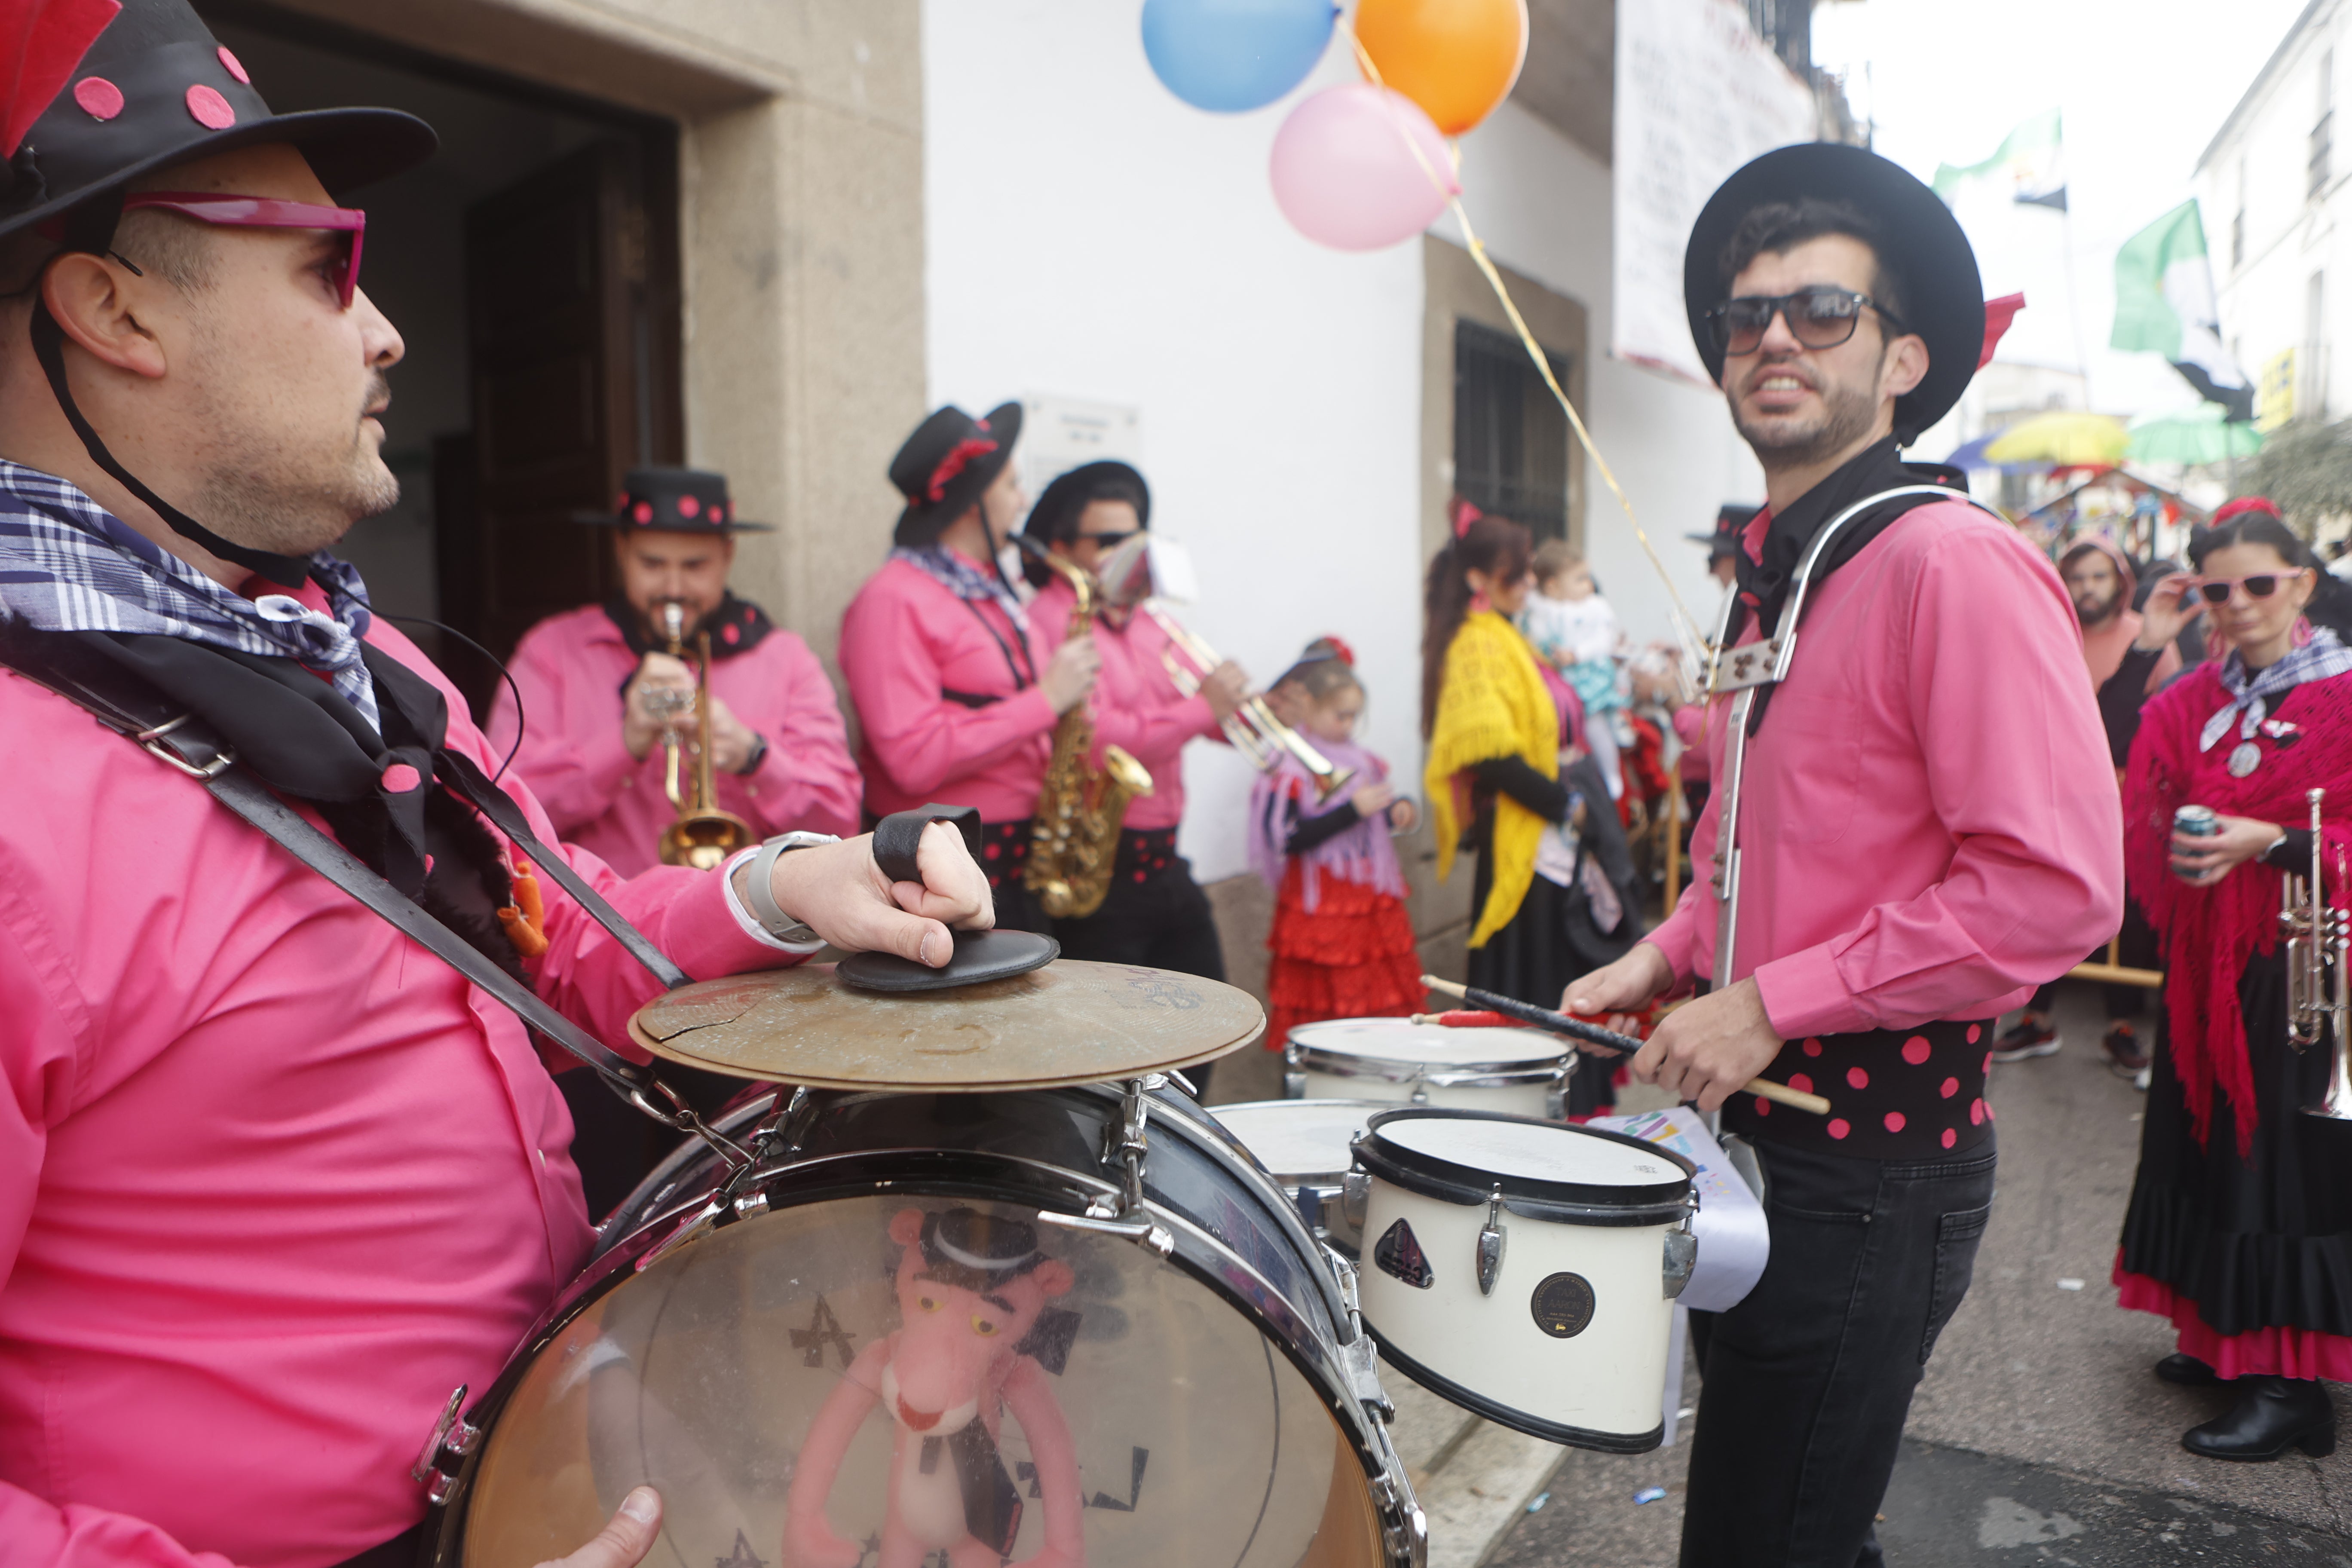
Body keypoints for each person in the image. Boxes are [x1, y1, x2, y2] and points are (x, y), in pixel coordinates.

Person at [0, 6, 995, 1564]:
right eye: (330, 266)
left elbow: (534, 941)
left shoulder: (365, 656)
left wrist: (777, 881)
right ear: (116, 311)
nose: (387, 329)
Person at [1563, 144, 2121, 1567]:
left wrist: (1766, 1000)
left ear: (1901, 359)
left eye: (1821, 311)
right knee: (1782, 1513)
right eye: (1746, 318)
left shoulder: (1950, 560)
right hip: (1756, 1141)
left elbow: (2053, 886)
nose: (1772, 339)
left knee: (1768, 1532)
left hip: (1871, 1163)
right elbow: (1743, 846)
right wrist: (1664, 950)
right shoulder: (1788, 568)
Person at [2115, 507, 2352, 1461]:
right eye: (2218, 589)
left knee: (2283, 1167)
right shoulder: (2189, 698)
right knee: (2205, 1147)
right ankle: (2224, 1333)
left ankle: (2289, 1388)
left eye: (2260, 584)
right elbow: (2143, 807)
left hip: (2309, 966)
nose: (2240, 604)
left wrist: (2279, 843)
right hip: (2208, 965)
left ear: (2300, 583)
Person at [488, 468, 860, 879]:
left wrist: (756, 758)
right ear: (621, 550)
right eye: (652, 564)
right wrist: (621, 745)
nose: (674, 588)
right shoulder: (552, 653)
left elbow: (841, 822)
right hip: (596, 924)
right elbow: (496, 812)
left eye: (695, 566)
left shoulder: (786, 660)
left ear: (728, 555)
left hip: (742, 925)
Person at [839, 403, 1099, 932]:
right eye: (1010, 484)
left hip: (1017, 845)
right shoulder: (892, 600)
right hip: (947, 858)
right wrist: (1045, 702)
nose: (1023, 500)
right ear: (970, 502)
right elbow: (912, 757)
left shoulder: (985, 592)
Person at [1424, 505, 1642, 1118]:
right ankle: (1529, 1108)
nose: (1527, 586)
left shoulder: (1510, 635)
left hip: (1554, 823)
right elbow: (1490, 753)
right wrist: (1565, 805)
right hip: (1533, 827)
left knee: (1560, 963)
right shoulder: (1477, 644)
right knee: (1537, 969)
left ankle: (1565, 1102)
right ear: (1478, 580)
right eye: (1516, 576)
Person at [1016, 459, 1245, 981]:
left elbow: (1202, 713)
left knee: (1205, 1022)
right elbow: (1100, 743)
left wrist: (1248, 711)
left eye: (1137, 540)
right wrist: (1204, 707)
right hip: (1101, 868)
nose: (1129, 557)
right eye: (1109, 541)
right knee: (1120, 1053)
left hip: (1165, 858)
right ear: (1063, 548)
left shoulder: (1150, 621)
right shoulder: (1051, 620)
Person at [1992, 533, 2182, 1074]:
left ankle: (2120, 1028)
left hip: (2127, 802)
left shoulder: (2148, 637)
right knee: (2045, 904)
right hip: (2051, 795)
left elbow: (2161, 721)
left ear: (2119, 581)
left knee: (2124, 916)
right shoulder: (2050, 630)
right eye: (2078, 576)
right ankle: (2036, 1017)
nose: (2088, 588)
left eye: (2099, 576)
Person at [1247, 637, 1422, 1044]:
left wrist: (1400, 810)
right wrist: (1351, 812)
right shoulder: (1290, 767)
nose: (1348, 726)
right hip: (1321, 903)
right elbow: (1289, 839)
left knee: (1379, 1002)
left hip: (1369, 903)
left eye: (1354, 717)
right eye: (1340, 716)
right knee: (1324, 1011)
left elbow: (1376, 809)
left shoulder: (1363, 761)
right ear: (1309, 706)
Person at [1518, 539, 1627, 799]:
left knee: (1596, 725)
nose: (1588, 585)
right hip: (1555, 684)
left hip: (1587, 678)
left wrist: (1577, 655)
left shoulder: (1595, 608)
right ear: (1553, 586)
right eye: (1580, 579)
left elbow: (1605, 638)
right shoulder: (1538, 611)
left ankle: (1612, 775)